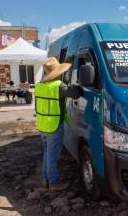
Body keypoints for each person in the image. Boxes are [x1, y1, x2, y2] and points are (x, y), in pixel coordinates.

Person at [35, 57, 82, 193]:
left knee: (47, 155)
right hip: (54, 126)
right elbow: (75, 94)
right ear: (57, 73)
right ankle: (54, 184)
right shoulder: (58, 86)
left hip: (42, 126)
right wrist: (77, 85)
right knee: (52, 158)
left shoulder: (39, 86)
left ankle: (45, 181)